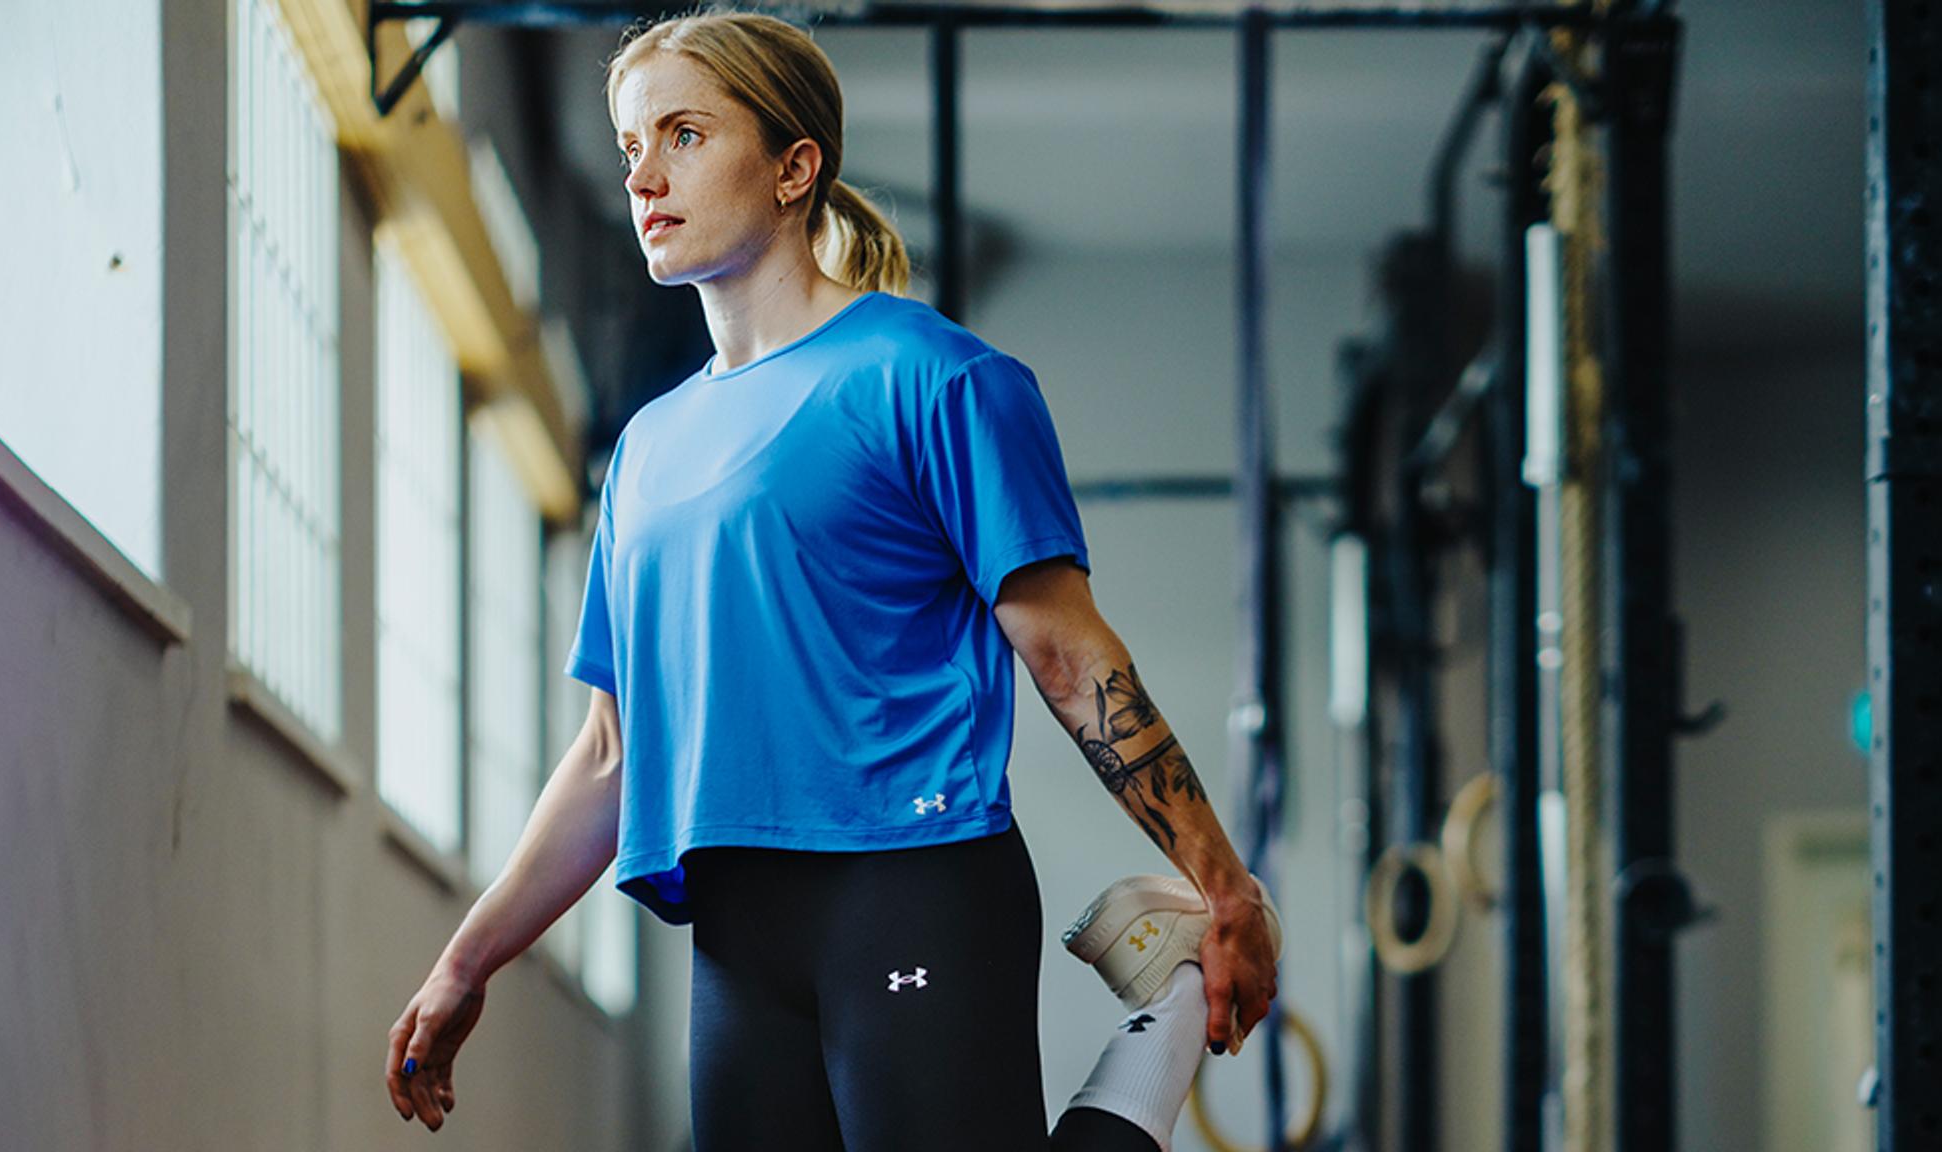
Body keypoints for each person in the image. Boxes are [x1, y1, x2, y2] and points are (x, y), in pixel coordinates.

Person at [384, 10, 1282, 1150]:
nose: (644, 176)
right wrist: (467, 961)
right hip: (736, 932)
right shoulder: (647, 451)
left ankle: (1163, 1033)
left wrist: (1224, 885)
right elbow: (613, 750)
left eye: (684, 136)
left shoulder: (933, 376)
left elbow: (1066, 653)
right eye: (630, 146)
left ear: (793, 167)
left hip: (914, 885)